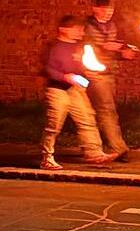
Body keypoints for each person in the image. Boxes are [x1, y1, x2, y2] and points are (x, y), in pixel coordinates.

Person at [39, 15, 117, 170]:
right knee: (54, 123)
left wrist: (88, 74)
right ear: (64, 29)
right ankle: (47, 157)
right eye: (77, 29)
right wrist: (64, 77)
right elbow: (47, 69)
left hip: (75, 89)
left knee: (87, 119)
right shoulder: (53, 47)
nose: (81, 32)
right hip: (57, 89)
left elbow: (82, 65)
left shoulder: (79, 47)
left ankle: (94, 153)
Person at [84, 0, 135, 161]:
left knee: (100, 111)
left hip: (109, 72)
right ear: (95, 9)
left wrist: (123, 54)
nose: (108, 13)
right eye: (104, 9)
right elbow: (86, 48)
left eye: (111, 10)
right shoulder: (87, 26)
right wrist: (104, 47)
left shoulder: (112, 26)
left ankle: (92, 145)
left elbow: (113, 50)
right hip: (95, 74)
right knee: (107, 110)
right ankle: (118, 148)